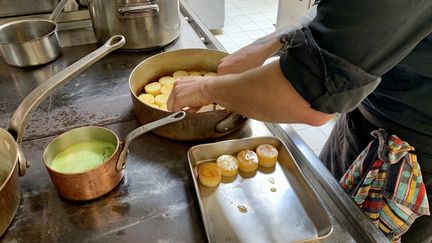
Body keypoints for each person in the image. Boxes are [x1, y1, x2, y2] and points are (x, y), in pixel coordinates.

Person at [167, 0, 432, 241]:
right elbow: (342, 17)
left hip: (413, 163)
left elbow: (307, 100)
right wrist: (272, 42)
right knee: (327, 205)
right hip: (364, 115)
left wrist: (206, 89)